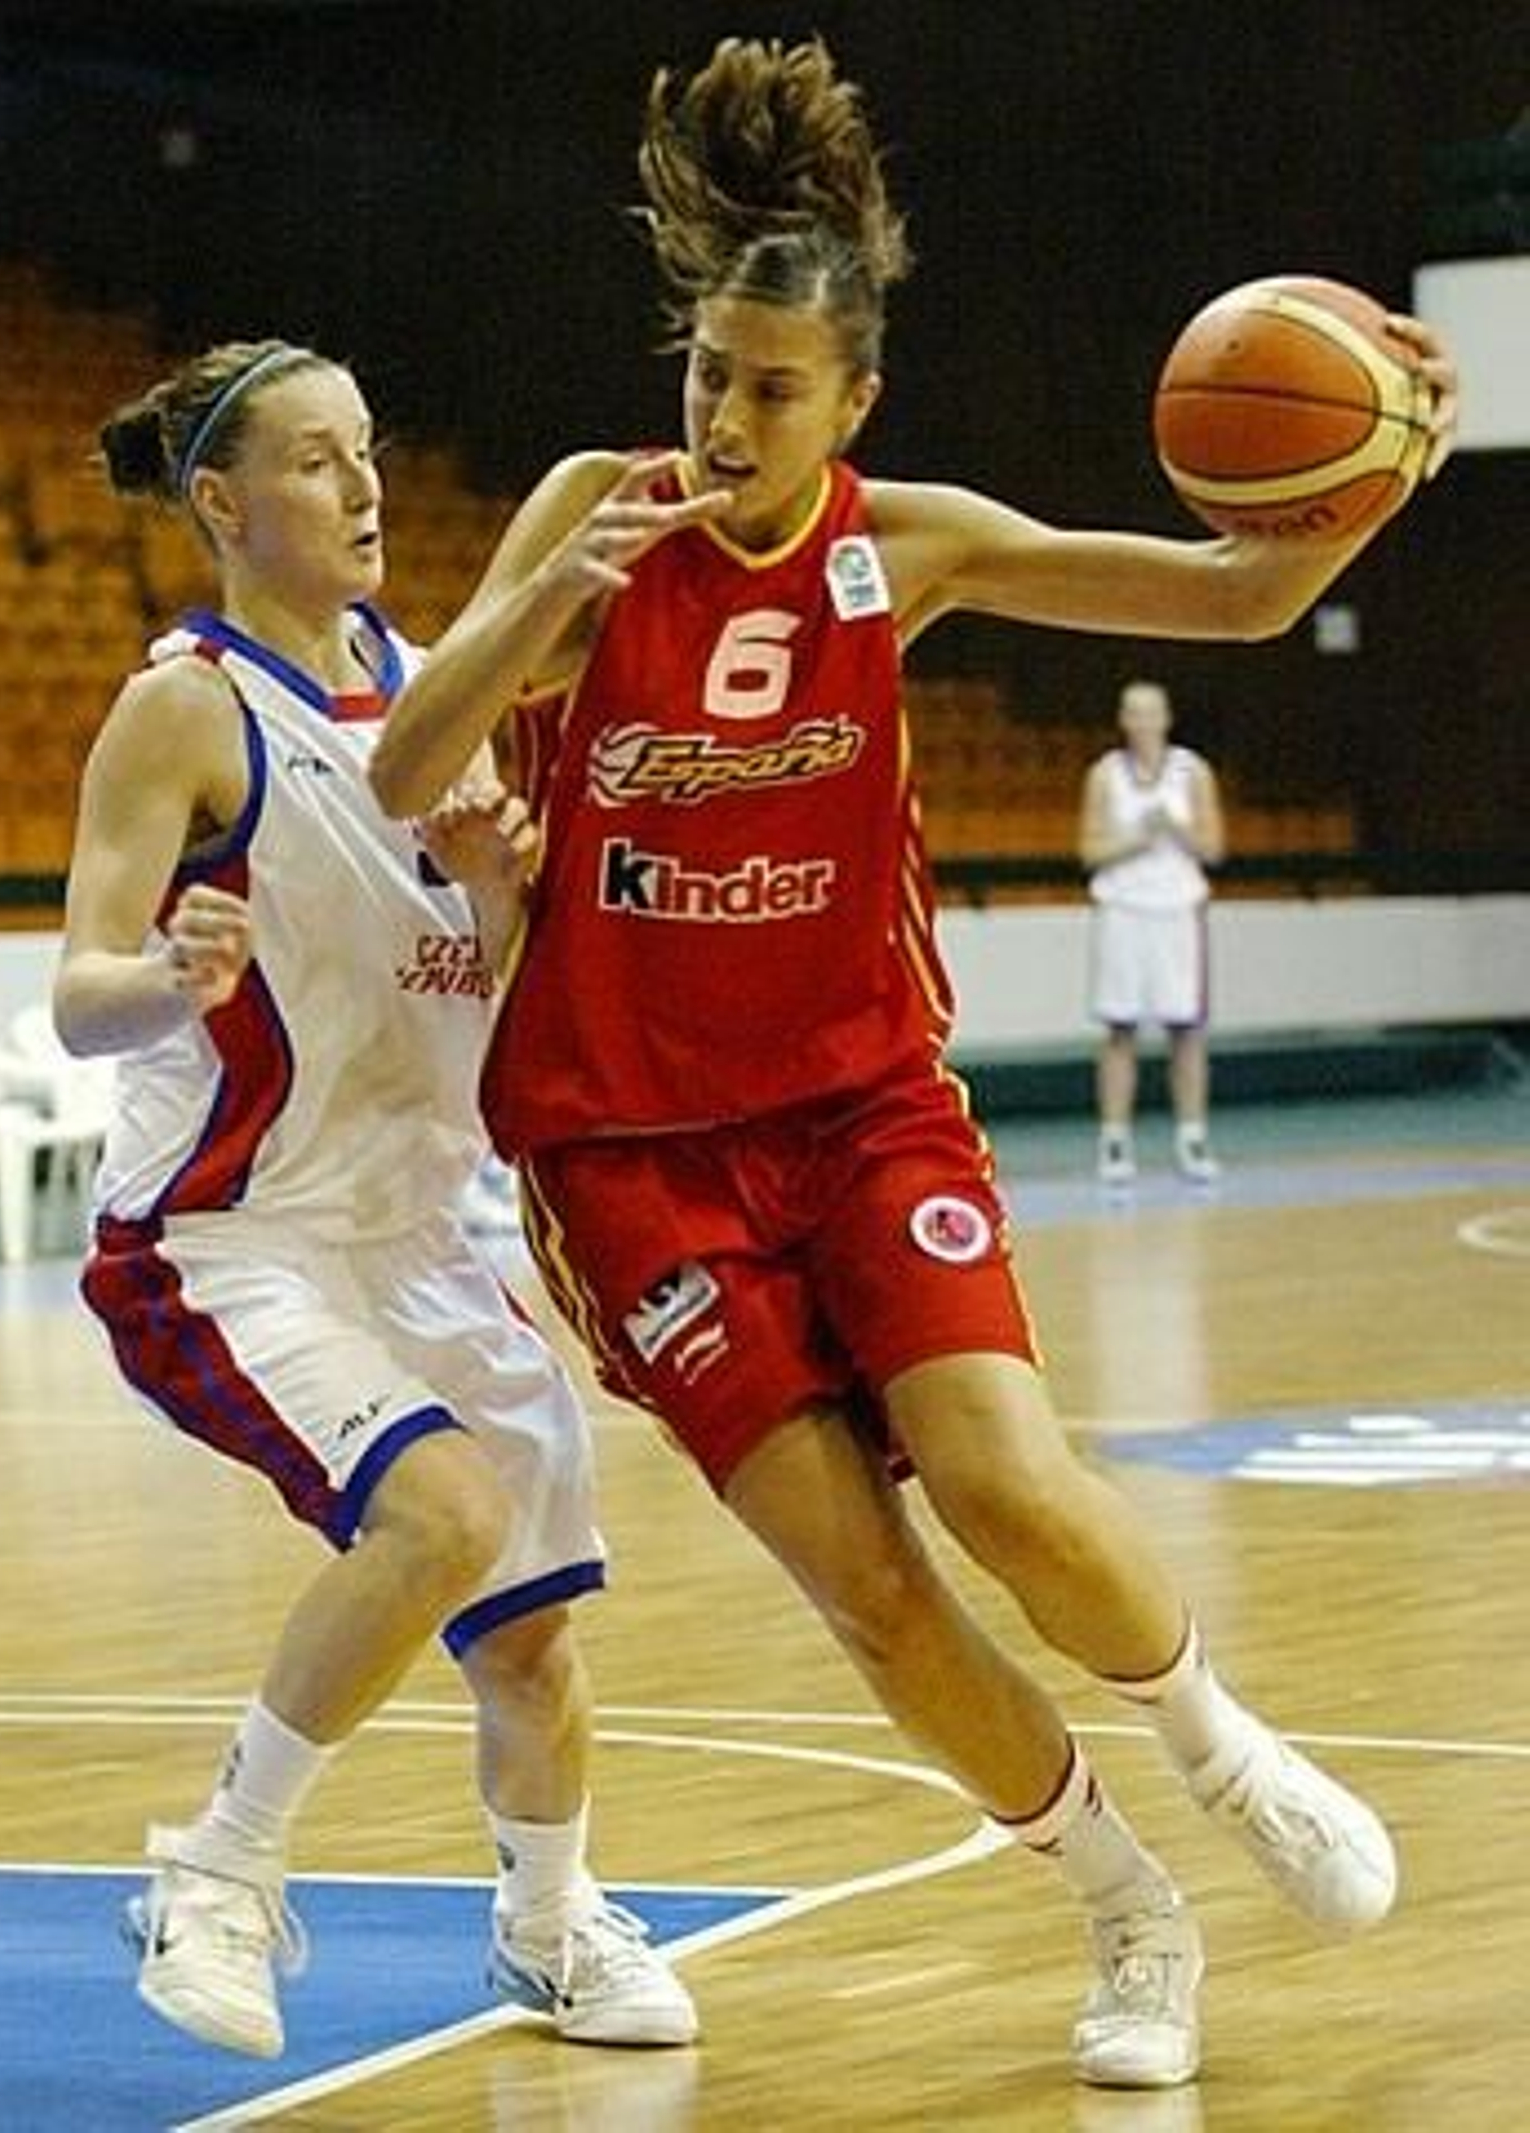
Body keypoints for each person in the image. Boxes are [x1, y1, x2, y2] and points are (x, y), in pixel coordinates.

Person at [369, 37, 1456, 2092]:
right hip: (626, 1156)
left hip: (859, 1103)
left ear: (850, 403)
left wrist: (1380, 442)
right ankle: (1122, 1903)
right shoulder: (594, 520)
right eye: (707, 374)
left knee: (997, 1476)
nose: (725, 417)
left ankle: (1223, 1751)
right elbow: (406, 768)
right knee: (868, 1589)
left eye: (772, 388)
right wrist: (535, 605)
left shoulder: (914, 542)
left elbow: (1241, 590)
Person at [55, 341, 697, 2062]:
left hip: (417, 1236)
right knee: (440, 1514)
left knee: (534, 1623)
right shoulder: (183, 704)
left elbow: (476, 1004)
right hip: (221, 1236)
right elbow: (78, 989)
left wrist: (497, 895)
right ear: (220, 502)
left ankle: (552, 1924)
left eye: (368, 454)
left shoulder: (434, 690)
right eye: (320, 462)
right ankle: (218, 1867)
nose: (364, 491)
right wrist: (172, 977)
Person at [1079, 678, 1226, 1187]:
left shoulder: (1192, 772)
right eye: (1133, 713)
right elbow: (1090, 852)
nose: (1143, 722)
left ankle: (1192, 1135)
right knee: (1119, 1027)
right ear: (1123, 720)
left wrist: (1175, 829)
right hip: (1123, 909)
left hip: (1177, 911)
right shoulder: (1105, 775)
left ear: (1165, 718)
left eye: (1151, 713)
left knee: (1186, 1028)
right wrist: (1139, 838)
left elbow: (1213, 848)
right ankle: (1115, 1140)